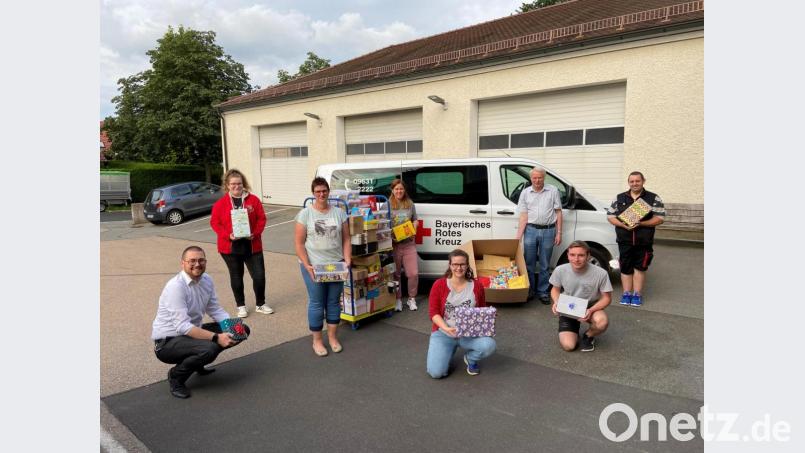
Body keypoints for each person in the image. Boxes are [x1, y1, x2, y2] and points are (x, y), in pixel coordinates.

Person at [151, 246, 249, 398]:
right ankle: (176, 376)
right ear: (182, 263)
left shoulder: (207, 280)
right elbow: (182, 326)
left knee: (241, 330)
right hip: (167, 342)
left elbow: (215, 309)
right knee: (209, 348)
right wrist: (217, 337)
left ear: (205, 262)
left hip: (191, 332)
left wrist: (233, 328)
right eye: (192, 261)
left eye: (201, 260)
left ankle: (196, 362)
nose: (197, 264)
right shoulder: (175, 287)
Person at [294, 177, 351, 357]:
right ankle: (317, 340)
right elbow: (299, 243)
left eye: (324, 191)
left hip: (335, 265)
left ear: (328, 191)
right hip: (314, 266)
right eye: (318, 191)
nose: (321, 194)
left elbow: (347, 239)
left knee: (334, 302)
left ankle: (333, 337)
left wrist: (347, 261)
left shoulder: (339, 213)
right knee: (317, 303)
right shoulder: (305, 214)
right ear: (313, 193)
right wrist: (307, 265)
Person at [210, 169, 273, 318]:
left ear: (243, 183)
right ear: (227, 185)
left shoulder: (254, 200)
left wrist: (255, 233)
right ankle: (241, 306)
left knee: (259, 276)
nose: (236, 186)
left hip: (252, 245)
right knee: (236, 276)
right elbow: (214, 223)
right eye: (233, 184)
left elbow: (261, 219)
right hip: (230, 247)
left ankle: (260, 304)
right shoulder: (220, 204)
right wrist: (228, 235)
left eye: (239, 183)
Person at [426, 249, 496, 378]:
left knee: (489, 345)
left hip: (468, 334)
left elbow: (480, 310)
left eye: (462, 264)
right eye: (455, 264)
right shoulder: (439, 284)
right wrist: (446, 328)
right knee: (436, 373)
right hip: (444, 333)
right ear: (450, 265)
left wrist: (489, 316)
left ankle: (470, 358)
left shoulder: (477, 286)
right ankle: (448, 348)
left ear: (467, 265)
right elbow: (433, 313)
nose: (459, 268)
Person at [606, 171, 666, 307]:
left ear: (643, 181)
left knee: (640, 267)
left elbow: (660, 217)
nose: (634, 183)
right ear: (628, 183)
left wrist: (642, 223)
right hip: (624, 240)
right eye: (631, 181)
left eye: (637, 181)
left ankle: (637, 294)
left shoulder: (653, 198)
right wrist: (622, 224)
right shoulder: (619, 198)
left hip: (643, 241)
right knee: (625, 267)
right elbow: (610, 216)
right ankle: (627, 293)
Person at [549, 241, 611, 352]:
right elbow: (555, 289)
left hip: (590, 306)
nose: (576, 259)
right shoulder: (560, 270)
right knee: (569, 346)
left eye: (581, 255)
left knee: (602, 322)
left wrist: (590, 310)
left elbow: (607, 298)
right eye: (572, 255)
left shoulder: (601, 273)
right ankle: (572, 330)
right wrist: (557, 302)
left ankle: (588, 335)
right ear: (567, 255)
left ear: (588, 256)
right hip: (568, 307)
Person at [515, 166, 563, 305]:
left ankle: (543, 292)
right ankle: (529, 290)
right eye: (534, 178)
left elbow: (559, 212)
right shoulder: (525, 193)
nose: (537, 180)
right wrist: (518, 237)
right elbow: (523, 216)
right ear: (531, 178)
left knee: (545, 264)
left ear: (544, 177)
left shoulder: (553, 190)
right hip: (530, 230)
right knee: (528, 263)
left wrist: (559, 232)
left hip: (549, 231)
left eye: (540, 177)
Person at [388, 179, 419, 312]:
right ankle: (398, 298)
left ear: (404, 190)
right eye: (396, 189)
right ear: (392, 190)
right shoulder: (388, 204)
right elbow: (383, 223)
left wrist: (414, 228)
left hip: (408, 244)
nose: (399, 191)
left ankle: (411, 298)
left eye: (401, 189)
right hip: (394, 245)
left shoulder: (410, 203)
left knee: (413, 273)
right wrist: (390, 235)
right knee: (395, 274)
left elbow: (415, 220)